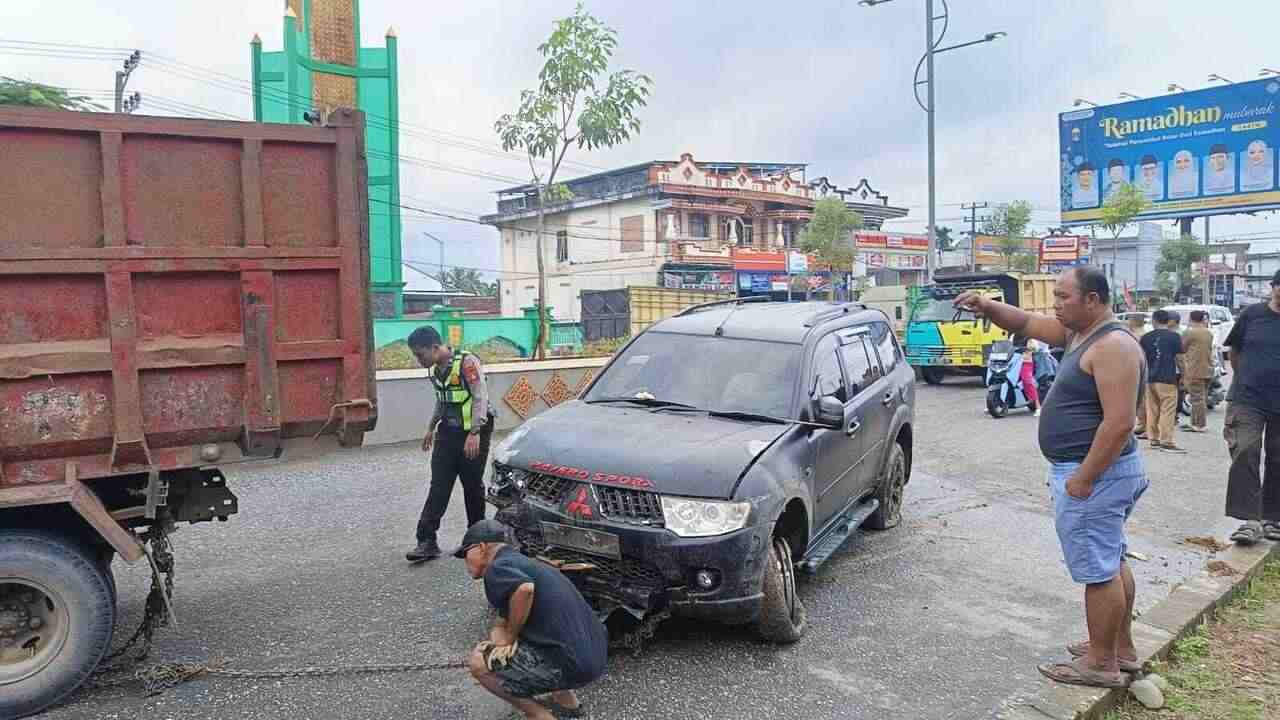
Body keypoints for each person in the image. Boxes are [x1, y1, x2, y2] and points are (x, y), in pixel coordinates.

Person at [955, 267, 1148, 688]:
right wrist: (986, 305)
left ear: (1093, 300)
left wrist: (1083, 478)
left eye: (1063, 297)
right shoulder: (1080, 333)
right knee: (1111, 560)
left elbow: (1120, 423)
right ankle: (1120, 649)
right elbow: (1025, 322)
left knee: (1098, 571)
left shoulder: (1113, 345)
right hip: (1095, 473)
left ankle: (1101, 663)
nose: (1055, 304)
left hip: (1096, 475)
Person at [459, 519, 608, 720]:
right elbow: (505, 614)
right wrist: (498, 637)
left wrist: (509, 637)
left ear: (482, 547)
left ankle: (538, 715)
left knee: (479, 664)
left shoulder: (496, 568)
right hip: (595, 655)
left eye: (465, 553)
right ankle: (569, 707)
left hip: (574, 665)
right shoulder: (528, 563)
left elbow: (524, 589)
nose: (465, 561)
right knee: (537, 639)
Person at [405, 326, 496, 562]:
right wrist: (431, 427)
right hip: (447, 431)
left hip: (474, 432)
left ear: (435, 347)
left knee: (472, 486)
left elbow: (480, 397)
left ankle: (475, 542)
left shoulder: (467, 363)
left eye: (420, 354)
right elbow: (442, 399)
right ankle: (426, 541)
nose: (418, 360)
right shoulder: (436, 370)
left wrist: (475, 432)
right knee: (439, 485)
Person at [1221, 269, 1280, 545]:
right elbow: (1234, 352)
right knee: (1245, 450)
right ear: (1273, 286)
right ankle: (1250, 521)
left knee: (1278, 459)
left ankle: (1272, 518)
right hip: (1247, 398)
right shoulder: (1252, 315)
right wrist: (1247, 377)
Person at [1141, 310, 1186, 454]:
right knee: (1168, 409)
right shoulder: (1174, 337)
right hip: (1167, 378)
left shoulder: (1145, 338)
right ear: (1168, 321)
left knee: (1152, 409)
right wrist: (1184, 375)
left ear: (1154, 320)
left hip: (1149, 378)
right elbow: (1180, 359)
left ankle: (1154, 438)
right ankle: (1166, 441)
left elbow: (1141, 359)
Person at [1180, 310, 1215, 434]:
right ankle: (1194, 423)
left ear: (1191, 318)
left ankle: (1199, 425)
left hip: (1195, 369)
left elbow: (1182, 348)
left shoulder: (1189, 333)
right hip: (1208, 369)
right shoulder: (1208, 333)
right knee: (1201, 398)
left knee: (1197, 399)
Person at [1127, 315, 1150, 437]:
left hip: (1138, 368)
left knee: (1142, 400)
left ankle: (1145, 424)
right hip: (1142, 368)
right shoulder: (1142, 334)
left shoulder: (1137, 336)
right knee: (1141, 399)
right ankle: (1142, 423)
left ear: (1134, 322)